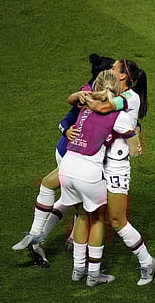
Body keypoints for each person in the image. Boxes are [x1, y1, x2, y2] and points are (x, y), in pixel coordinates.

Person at [12, 54, 116, 267]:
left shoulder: (97, 92)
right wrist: (66, 130)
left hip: (78, 155)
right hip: (73, 153)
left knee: (70, 200)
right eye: (115, 70)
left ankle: (44, 237)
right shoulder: (90, 94)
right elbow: (66, 119)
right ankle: (81, 262)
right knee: (82, 206)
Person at [85, 59, 155, 286]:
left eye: (113, 68)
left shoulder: (129, 98)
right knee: (92, 212)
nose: (109, 71)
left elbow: (103, 107)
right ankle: (91, 270)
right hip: (100, 161)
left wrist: (84, 97)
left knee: (117, 220)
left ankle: (147, 263)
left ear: (123, 76)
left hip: (117, 165)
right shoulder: (119, 94)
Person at [60, 70, 135, 286]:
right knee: (97, 219)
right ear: (117, 89)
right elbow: (130, 134)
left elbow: (72, 99)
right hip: (88, 172)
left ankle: (77, 270)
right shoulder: (117, 114)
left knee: (82, 216)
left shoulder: (84, 101)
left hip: (67, 167)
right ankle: (93, 275)